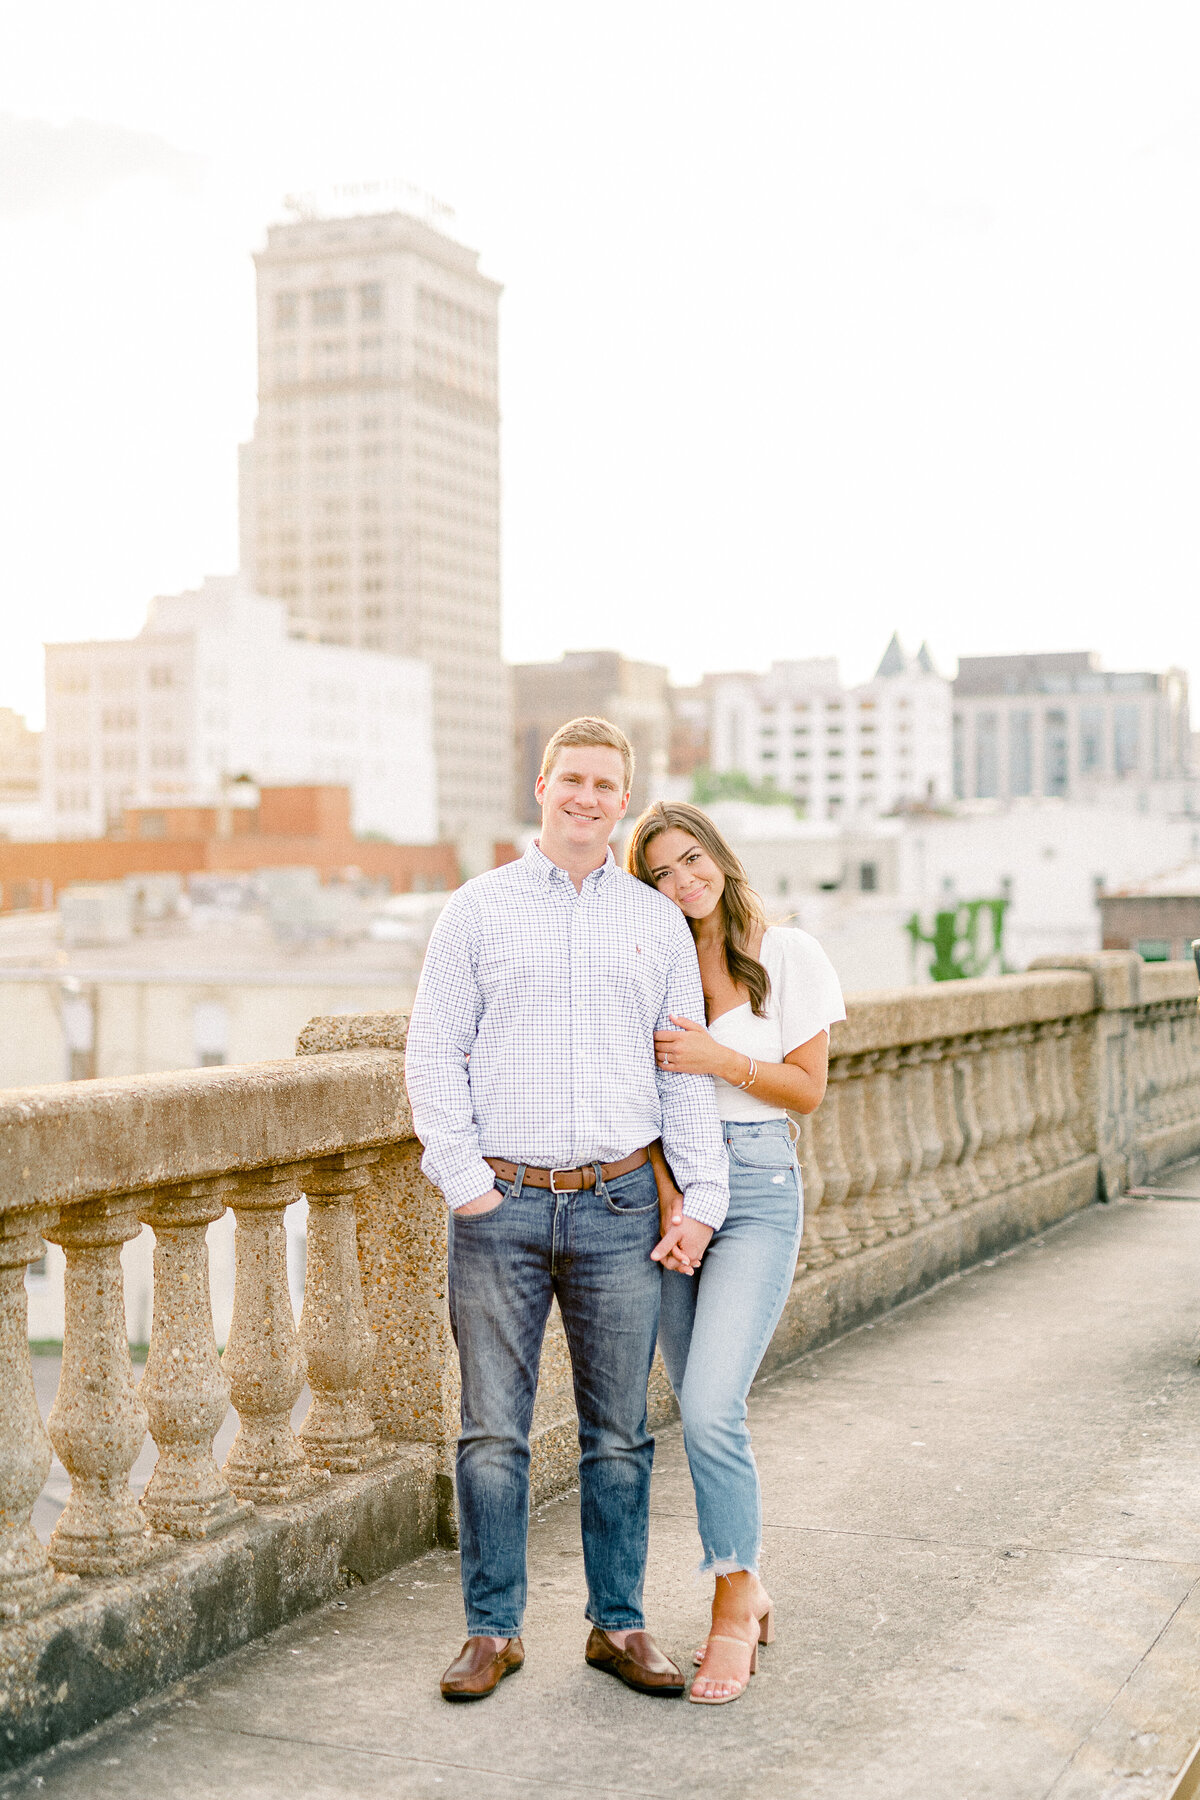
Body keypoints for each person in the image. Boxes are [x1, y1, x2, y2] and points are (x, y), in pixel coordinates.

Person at [405, 720, 729, 1703]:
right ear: (542, 784)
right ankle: (492, 1631)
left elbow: (682, 1076)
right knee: (492, 1433)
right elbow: (431, 1052)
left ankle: (618, 1625)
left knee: (619, 1434)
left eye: (606, 785)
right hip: (499, 1205)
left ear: (622, 801)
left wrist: (701, 1200)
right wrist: (465, 1182)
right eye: (572, 779)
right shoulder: (476, 910)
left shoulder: (654, 921)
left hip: (620, 1202)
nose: (587, 797)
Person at [627, 801, 846, 1705]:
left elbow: (806, 1090)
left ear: (719, 855)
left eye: (692, 860)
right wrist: (673, 1198)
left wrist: (719, 1058)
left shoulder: (785, 952)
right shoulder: (654, 965)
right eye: (662, 875)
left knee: (715, 1405)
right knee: (692, 1405)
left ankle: (734, 1597)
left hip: (756, 1192)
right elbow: (630, 1097)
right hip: (672, 1195)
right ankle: (743, 1584)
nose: (685, 882)